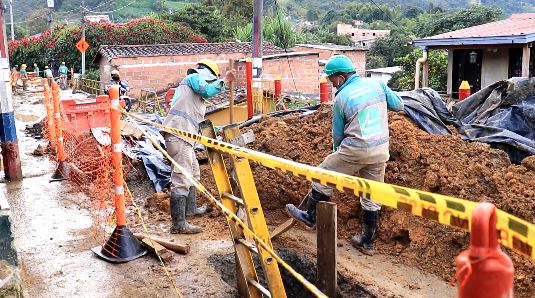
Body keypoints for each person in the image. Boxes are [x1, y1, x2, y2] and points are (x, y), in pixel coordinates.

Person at [286, 55, 404, 255]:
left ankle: (311, 217)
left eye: (332, 79)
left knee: (322, 175)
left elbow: (338, 134)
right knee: (372, 193)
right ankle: (367, 242)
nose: (331, 83)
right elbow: (399, 105)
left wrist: (337, 153)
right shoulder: (377, 85)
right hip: (380, 150)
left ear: (341, 76)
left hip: (356, 148)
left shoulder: (341, 97)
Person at [162, 59, 235, 234]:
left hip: (185, 137)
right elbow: (208, 90)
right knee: (182, 178)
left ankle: (190, 210)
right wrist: (224, 80)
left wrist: (220, 130)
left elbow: (200, 124)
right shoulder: (193, 78)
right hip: (178, 135)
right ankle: (178, 224)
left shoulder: (194, 98)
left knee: (193, 172)